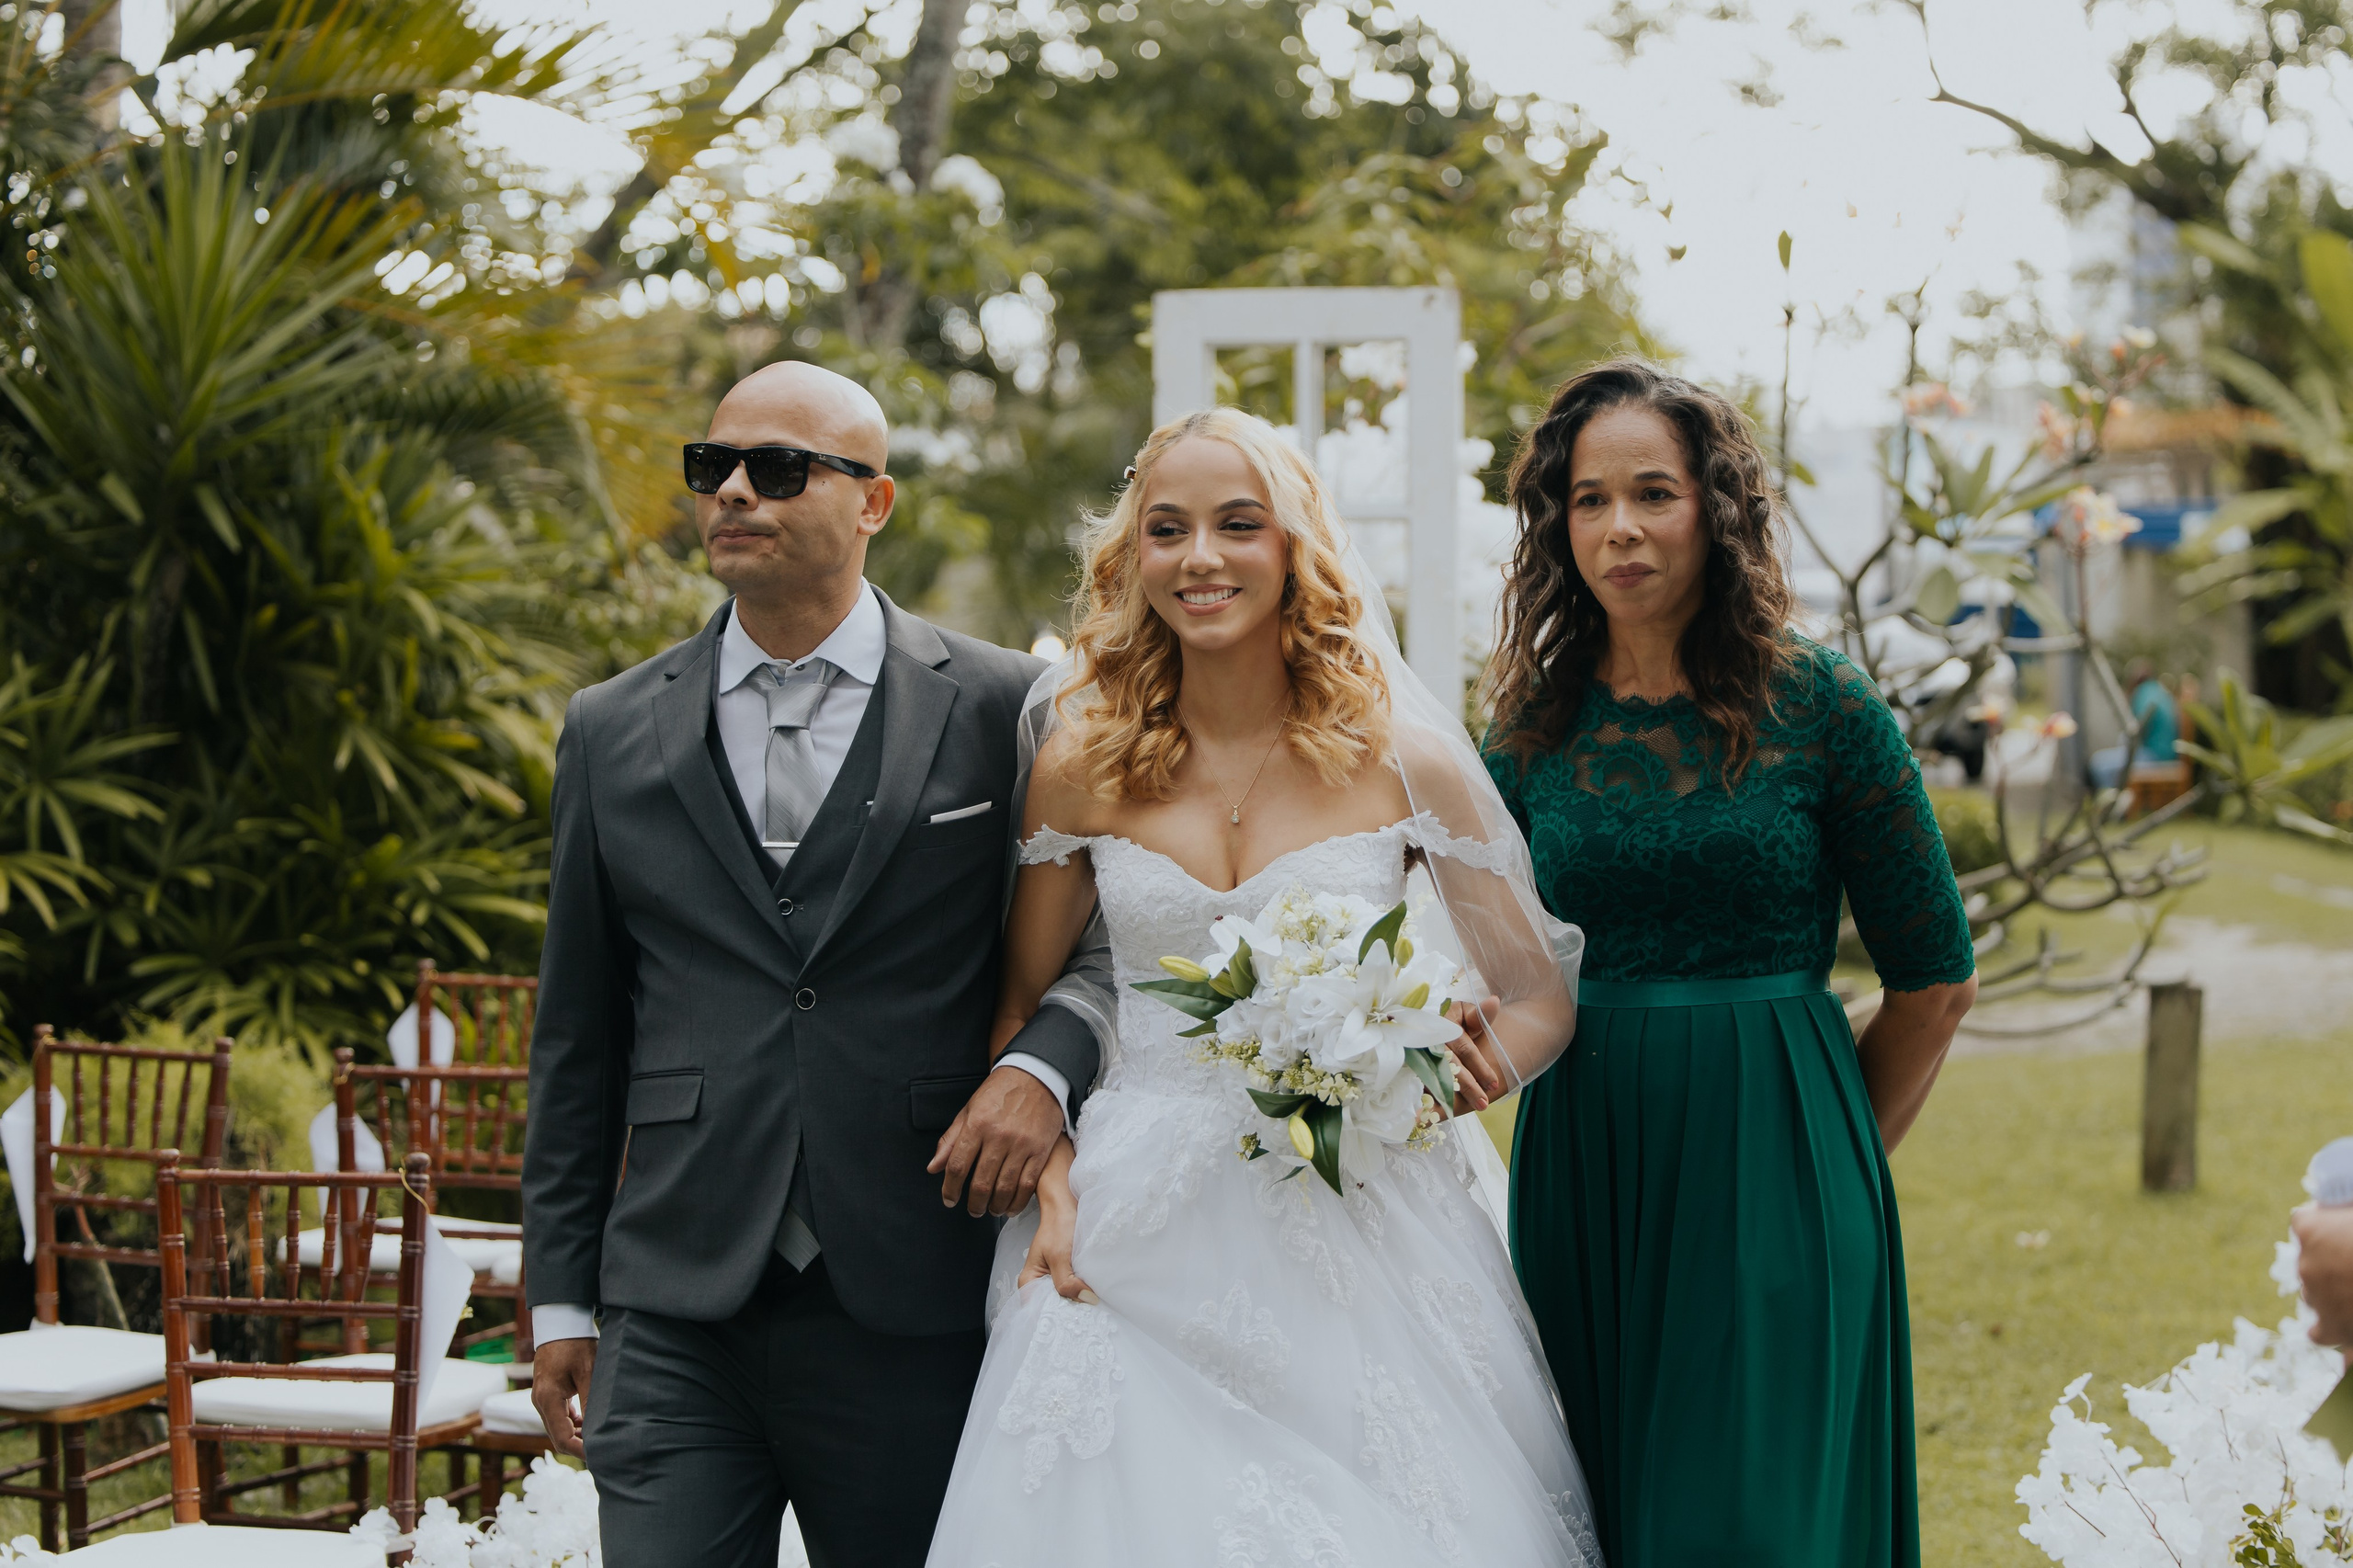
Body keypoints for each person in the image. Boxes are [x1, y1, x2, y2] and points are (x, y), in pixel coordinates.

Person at [925, 408, 1599, 1566]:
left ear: (1294, 546)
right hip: (1130, 1221)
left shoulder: (1401, 757)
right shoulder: (1081, 765)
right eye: (1167, 529)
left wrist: (1441, 1078)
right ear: (1134, 557)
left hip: (1362, 1210)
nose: (1201, 557)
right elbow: (1019, 1009)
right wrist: (1057, 1187)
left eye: (1238, 524)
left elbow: (1537, 993)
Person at [522, 361, 1116, 1568]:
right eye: (714, 466)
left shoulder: (1007, 704)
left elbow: (1102, 946)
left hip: (916, 1276)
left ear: (873, 502)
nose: (735, 491)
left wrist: (1040, 1072)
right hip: (677, 1295)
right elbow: (578, 1033)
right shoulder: (610, 727)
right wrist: (561, 1296)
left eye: (780, 468)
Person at [1482, 358, 1979, 1568]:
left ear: (1717, 509)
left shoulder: (1824, 705)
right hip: (1585, 1169)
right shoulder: (1531, 728)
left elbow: (1935, 976)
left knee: (1746, 1528)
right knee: (1598, 1518)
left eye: (1653, 493)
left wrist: (1824, 1158)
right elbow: (1476, 946)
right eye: (1589, 500)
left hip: (1778, 1160)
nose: (1620, 527)